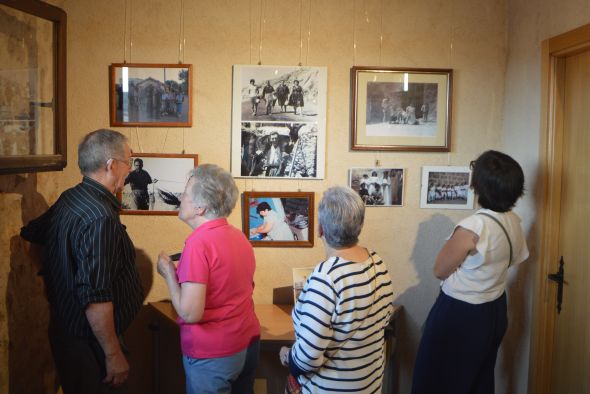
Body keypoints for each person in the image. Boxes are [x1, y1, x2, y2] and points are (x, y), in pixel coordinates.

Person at [20, 129, 144, 393]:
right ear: (111, 165)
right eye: (128, 162)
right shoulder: (100, 217)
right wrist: (112, 354)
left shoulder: (72, 196)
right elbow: (95, 296)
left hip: (68, 330)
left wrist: (53, 277)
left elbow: (31, 235)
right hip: (91, 345)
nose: (129, 170)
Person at [412, 150, 529, 394]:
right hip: (495, 310)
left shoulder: (474, 226)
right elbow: (515, 259)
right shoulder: (514, 222)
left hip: (461, 313)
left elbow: (439, 270)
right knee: (477, 379)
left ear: (479, 186)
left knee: (435, 378)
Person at [156, 164, 260, 394]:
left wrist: (168, 274)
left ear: (201, 207)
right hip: (246, 345)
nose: (180, 198)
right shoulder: (239, 237)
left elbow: (190, 313)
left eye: (185, 194)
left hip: (214, 355)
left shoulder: (198, 244)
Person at [279, 186, 395, 392]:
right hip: (368, 385)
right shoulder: (377, 262)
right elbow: (384, 319)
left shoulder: (326, 277)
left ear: (321, 229)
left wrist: (288, 355)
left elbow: (308, 358)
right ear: (359, 225)